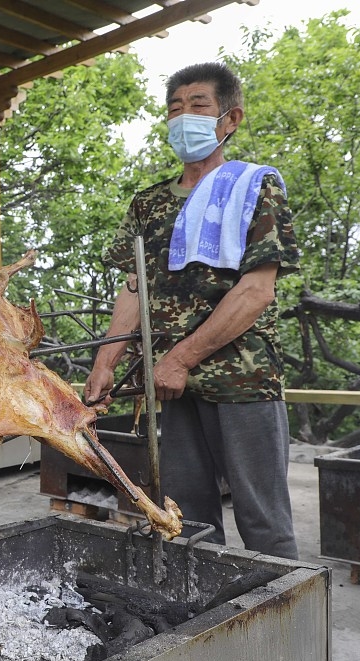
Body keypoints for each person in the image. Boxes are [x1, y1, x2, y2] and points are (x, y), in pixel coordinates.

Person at [83, 62, 300, 559]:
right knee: (188, 515)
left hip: (241, 378)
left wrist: (180, 358)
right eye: (174, 109)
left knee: (263, 518)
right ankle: (205, 620)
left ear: (230, 118)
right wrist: (105, 362)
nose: (184, 117)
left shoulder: (255, 188)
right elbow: (134, 289)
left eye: (198, 105)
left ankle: (284, 627)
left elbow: (256, 291)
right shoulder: (149, 203)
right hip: (170, 387)